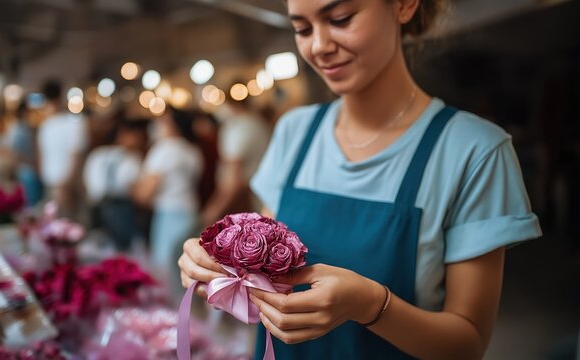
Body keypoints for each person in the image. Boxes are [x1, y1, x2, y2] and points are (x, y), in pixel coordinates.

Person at [178, 0, 542, 359]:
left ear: (403, 5)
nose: (319, 46)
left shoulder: (474, 151)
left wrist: (371, 305)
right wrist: (214, 266)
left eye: (340, 18)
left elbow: (468, 344)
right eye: (302, 29)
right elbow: (264, 270)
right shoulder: (295, 131)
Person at [133, 107, 203, 298]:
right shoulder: (192, 150)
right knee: (186, 271)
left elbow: (144, 194)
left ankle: (174, 321)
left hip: (169, 215)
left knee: (166, 273)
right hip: (189, 212)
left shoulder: (164, 150)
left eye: (162, 120)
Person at [200, 95, 270, 227]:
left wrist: (213, 210)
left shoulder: (238, 128)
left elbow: (233, 180)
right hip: (258, 200)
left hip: (240, 202)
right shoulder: (258, 123)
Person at [84, 119, 146, 252]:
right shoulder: (131, 158)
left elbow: (89, 183)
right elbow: (134, 189)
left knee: (97, 247)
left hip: (96, 206)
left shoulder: (97, 154)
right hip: (121, 209)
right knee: (122, 251)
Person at [37, 80, 88, 220]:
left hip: (68, 188)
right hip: (54, 185)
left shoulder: (73, 123)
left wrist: (65, 185)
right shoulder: (48, 125)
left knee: (68, 229)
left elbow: (76, 157)